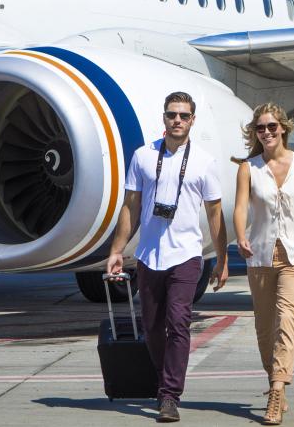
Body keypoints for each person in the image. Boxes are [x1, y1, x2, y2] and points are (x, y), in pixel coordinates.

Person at [108, 91, 229, 423]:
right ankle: (165, 380)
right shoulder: (143, 157)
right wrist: (117, 251)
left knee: (179, 324)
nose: (178, 120)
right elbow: (130, 206)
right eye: (172, 114)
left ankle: (169, 395)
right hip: (149, 255)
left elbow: (215, 213)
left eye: (184, 115)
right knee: (152, 327)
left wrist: (221, 257)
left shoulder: (204, 161)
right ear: (164, 118)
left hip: (187, 255)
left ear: (192, 120)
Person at [233, 103, 294, 425]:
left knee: (287, 319)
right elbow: (241, 206)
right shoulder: (249, 167)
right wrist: (240, 235)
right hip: (259, 255)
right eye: (261, 128)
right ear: (255, 133)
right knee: (264, 329)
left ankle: (276, 389)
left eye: (272, 126)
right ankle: (277, 383)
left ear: (283, 127)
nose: (267, 132)